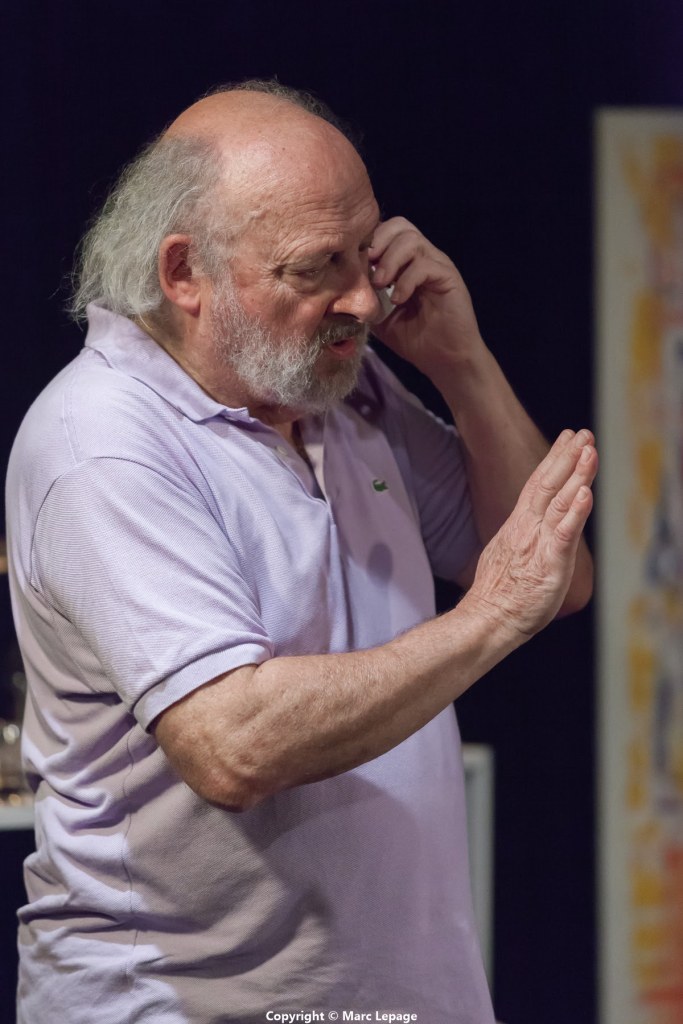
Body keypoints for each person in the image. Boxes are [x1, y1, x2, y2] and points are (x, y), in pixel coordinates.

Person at [6, 80, 596, 1024]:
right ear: (184, 274)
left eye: (365, 252)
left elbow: (553, 577)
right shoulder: (103, 439)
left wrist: (462, 362)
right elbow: (233, 744)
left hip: (401, 997)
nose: (363, 298)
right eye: (316, 267)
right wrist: (487, 618)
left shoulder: (336, 389)